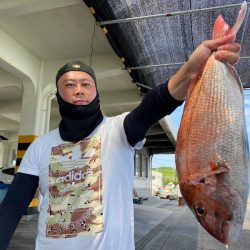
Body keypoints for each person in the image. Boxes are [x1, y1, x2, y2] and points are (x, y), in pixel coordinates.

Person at [0, 33, 240, 250]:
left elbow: (154, 105)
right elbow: (11, 208)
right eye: (69, 85)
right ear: (58, 93)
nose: (79, 90)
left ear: (95, 92)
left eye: (86, 84)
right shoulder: (40, 147)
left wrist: (190, 70)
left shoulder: (118, 132)